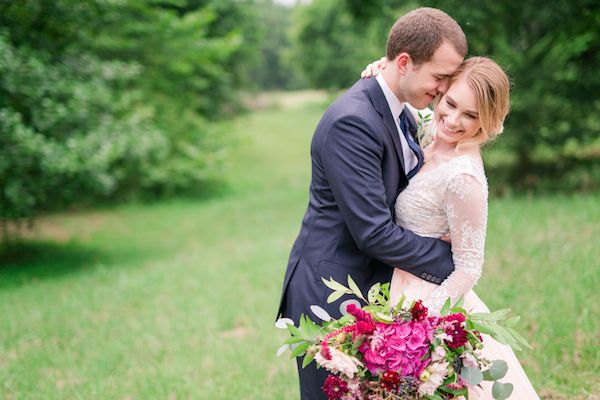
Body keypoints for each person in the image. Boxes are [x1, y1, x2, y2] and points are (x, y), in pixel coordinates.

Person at [277, 8, 467, 400]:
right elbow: (374, 232)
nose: (446, 88)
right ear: (403, 63)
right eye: (440, 77)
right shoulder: (354, 121)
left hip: (374, 286)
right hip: (332, 291)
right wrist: (456, 262)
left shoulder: (402, 110)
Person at [361, 56, 540, 398]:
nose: (454, 120)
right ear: (441, 93)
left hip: (427, 303)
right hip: (392, 285)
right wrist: (379, 72)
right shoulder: (430, 131)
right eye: (451, 103)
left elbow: (469, 268)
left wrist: (417, 324)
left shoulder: (463, 177)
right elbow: (401, 98)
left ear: (488, 120)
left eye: (471, 115)